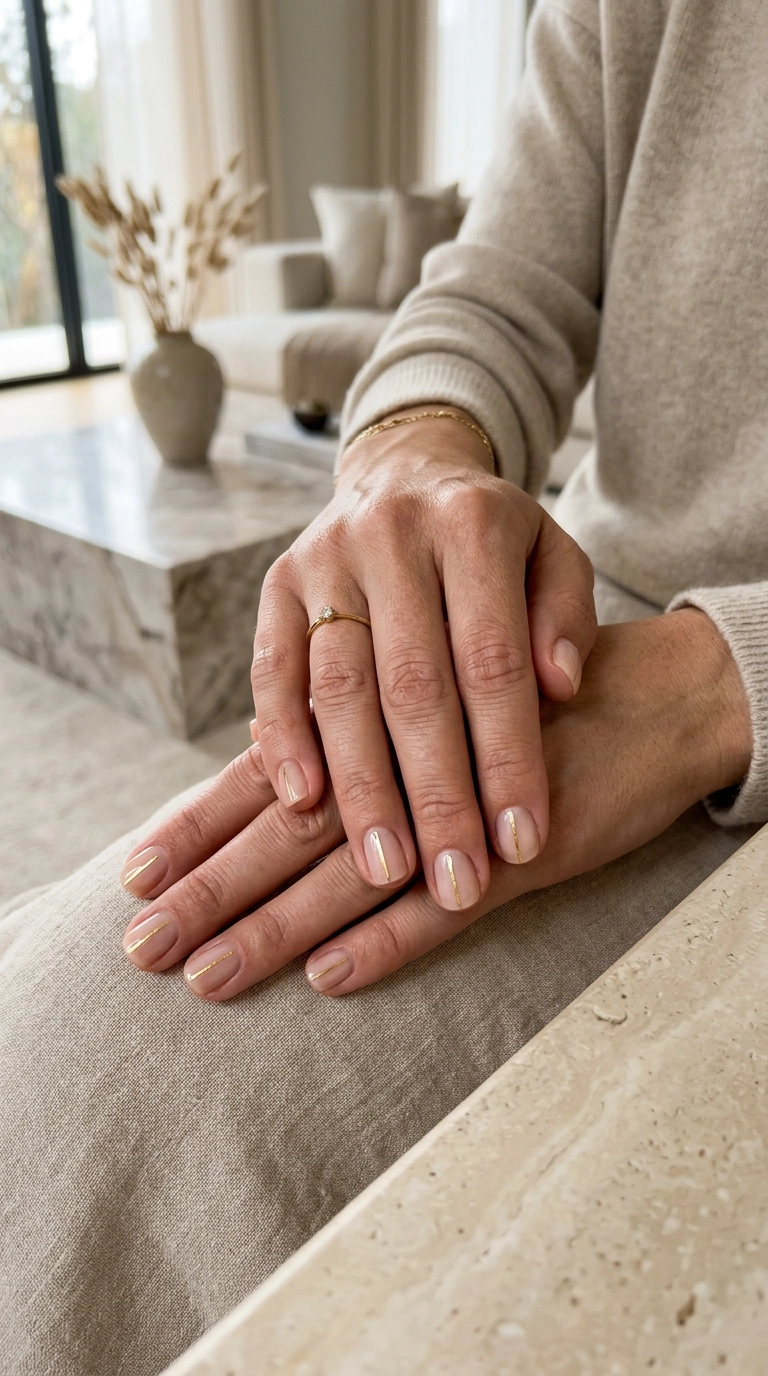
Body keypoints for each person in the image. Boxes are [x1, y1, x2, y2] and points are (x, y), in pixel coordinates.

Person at [2, 1, 766, 1372]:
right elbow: (493, 290)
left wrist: (720, 683)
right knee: (60, 1020)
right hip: (586, 649)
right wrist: (412, 450)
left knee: (124, 1110)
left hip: (720, 718)